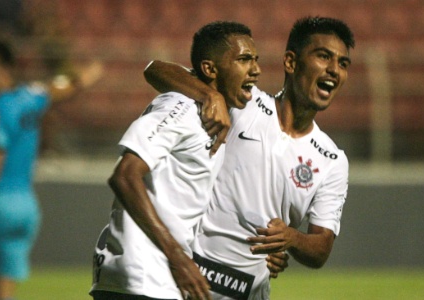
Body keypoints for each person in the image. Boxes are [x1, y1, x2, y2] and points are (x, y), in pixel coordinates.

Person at [144, 16, 354, 299]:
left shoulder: (332, 160)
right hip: (188, 282)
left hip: (249, 292)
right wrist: (210, 96)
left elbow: (321, 248)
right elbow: (155, 70)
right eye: (324, 56)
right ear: (291, 62)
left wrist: (291, 238)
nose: (334, 70)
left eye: (342, 63)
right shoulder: (244, 103)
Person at [89, 21, 263, 300]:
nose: (256, 69)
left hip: (157, 277)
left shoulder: (226, 111)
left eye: (256, 60)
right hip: (144, 274)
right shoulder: (178, 107)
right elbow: (124, 176)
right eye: (244, 59)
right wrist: (177, 258)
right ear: (210, 69)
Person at [0, 39, 102, 300]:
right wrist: (88, 75)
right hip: (24, 206)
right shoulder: (30, 98)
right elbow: (62, 88)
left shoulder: (0, 108)